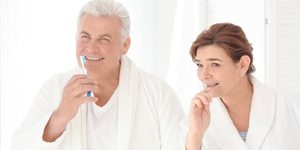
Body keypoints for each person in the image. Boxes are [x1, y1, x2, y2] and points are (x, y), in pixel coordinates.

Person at [11, 0, 184, 149]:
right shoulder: (54, 89)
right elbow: (18, 146)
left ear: (125, 45)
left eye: (104, 39)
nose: (91, 48)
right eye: (85, 36)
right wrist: (60, 116)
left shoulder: (159, 95)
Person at [184, 23, 300, 150]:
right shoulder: (192, 123)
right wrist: (195, 135)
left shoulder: (292, 108)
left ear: (243, 65)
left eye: (215, 64)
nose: (204, 75)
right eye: (200, 65)